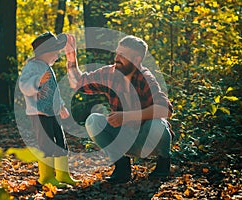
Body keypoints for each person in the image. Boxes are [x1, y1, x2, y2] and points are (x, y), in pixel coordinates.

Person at [65, 34, 174, 184]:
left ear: (136, 60)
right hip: (124, 137)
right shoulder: (111, 73)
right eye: (117, 53)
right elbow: (79, 83)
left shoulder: (146, 78)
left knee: (158, 123)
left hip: (148, 141)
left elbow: (166, 110)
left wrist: (126, 116)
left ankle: (163, 163)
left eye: (122, 55)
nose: (116, 58)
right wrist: (71, 60)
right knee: (93, 121)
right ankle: (122, 168)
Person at [18, 31, 80, 188]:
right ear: (45, 52)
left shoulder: (47, 67)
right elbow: (24, 86)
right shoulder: (32, 67)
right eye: (55, 53)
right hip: (39, 112)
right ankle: (46, 177)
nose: (57, 56)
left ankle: (62, 175)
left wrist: (61, 106)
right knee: (46, 143)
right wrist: (38, 81)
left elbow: (54, 91)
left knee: (60, 141)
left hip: (52, 111)